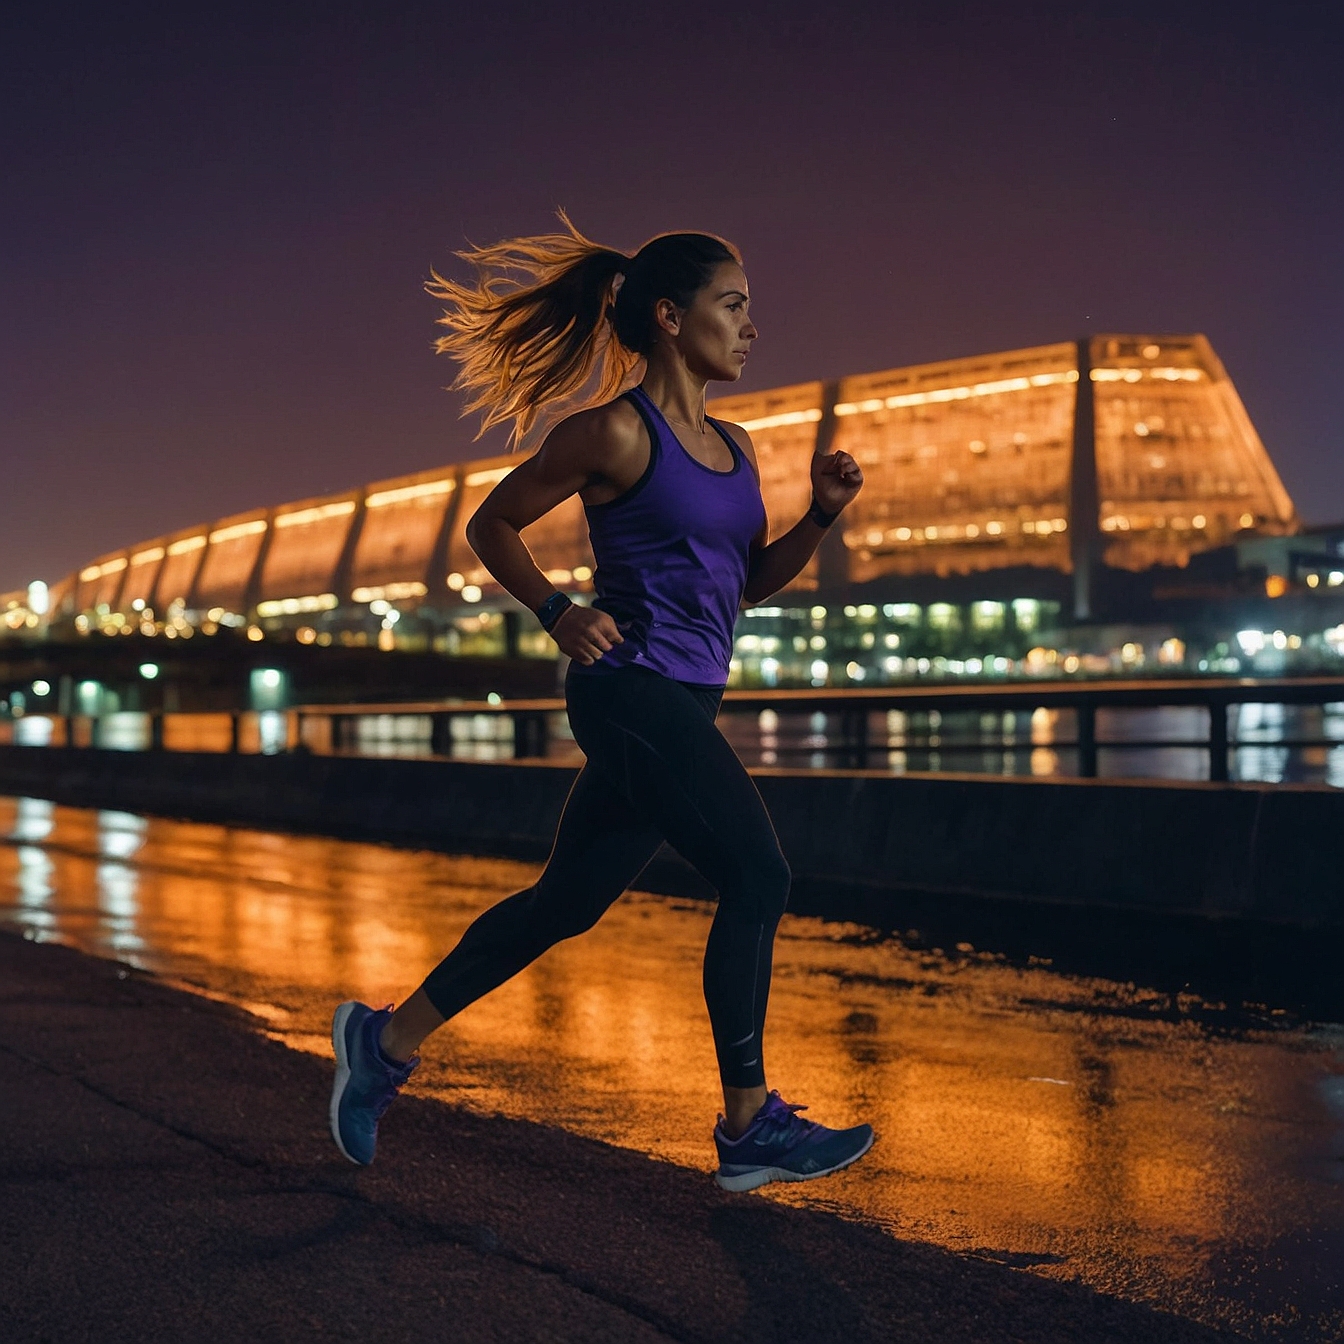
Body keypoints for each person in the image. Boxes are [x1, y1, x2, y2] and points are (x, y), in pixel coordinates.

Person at [330, 215, 874, 1192]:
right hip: (628, 690)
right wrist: (555, 608)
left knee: (565, 904)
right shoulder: (616, 431)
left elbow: (743, 586)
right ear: (671, 317)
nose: (753, 328)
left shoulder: (740, 446)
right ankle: (749, 1124)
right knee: (758, 876)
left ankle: (384, 1041)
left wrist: (822, 516)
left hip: (683, 702)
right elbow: (492, 521)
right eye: (734, 306)